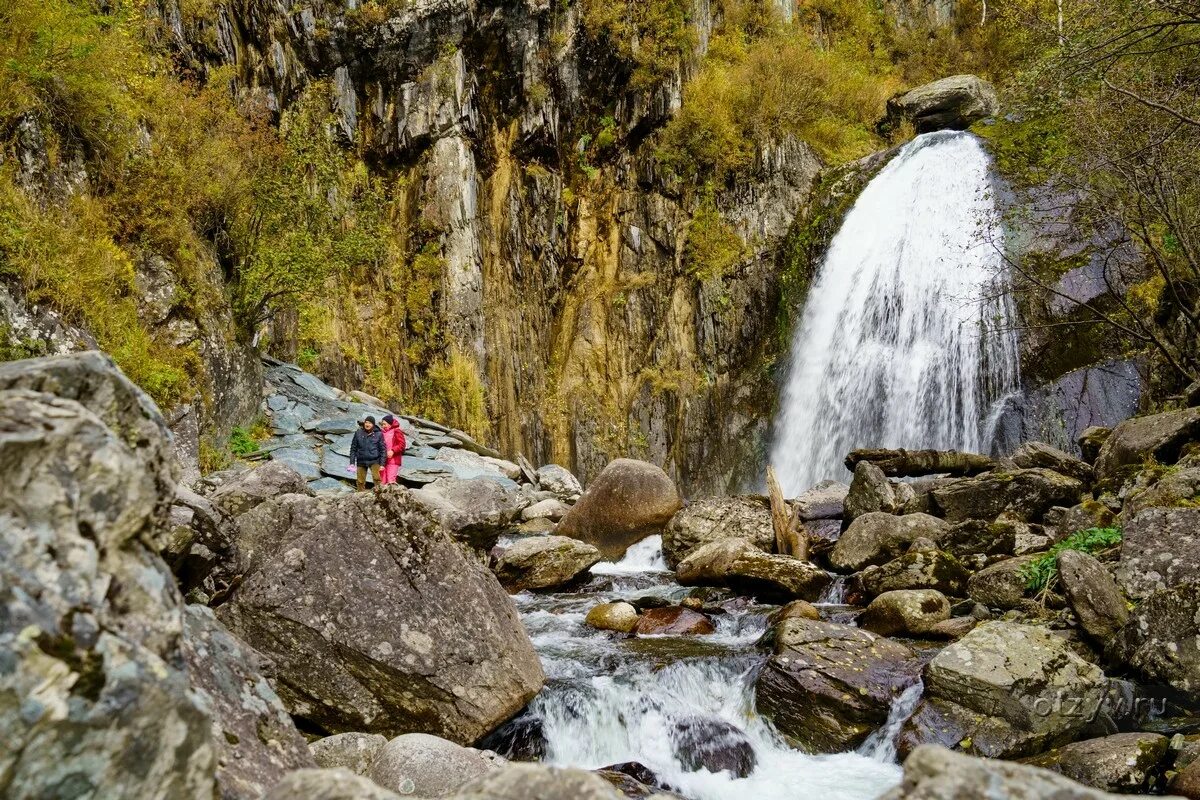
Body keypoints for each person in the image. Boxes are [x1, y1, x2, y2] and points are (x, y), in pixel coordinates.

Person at [349, 415, 386, 492]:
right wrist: (352, 463)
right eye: (366, 422)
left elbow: (383, 449)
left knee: (377, 479)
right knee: (360, 481)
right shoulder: (358, 433)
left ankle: (379, 496)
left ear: (373, 424)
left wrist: (382, 464)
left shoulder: (378, 434)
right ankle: (360, 497)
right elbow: (353, 448)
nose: (367, 424)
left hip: (375, 460)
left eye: (369, 423)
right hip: (361, 460)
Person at [380, 414, 406, 485]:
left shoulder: (396, 431)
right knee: (381, 482)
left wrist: (393, 450)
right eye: (382, 424)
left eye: (385, 424)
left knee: (390, 481)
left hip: (393, 460)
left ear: (390, 424)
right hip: (382, 461)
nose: (383, 426)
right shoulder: (381, 433)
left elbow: (402, 445)